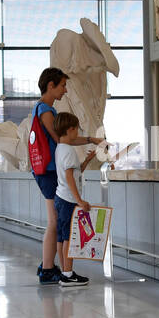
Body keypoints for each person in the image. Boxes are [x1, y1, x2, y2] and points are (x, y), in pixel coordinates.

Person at [31, 68, 101, 285]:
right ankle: (49, 268)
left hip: (47, 171)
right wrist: (91, 139)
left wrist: (90, 140)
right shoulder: (46, 110)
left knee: (55, 223)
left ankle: (51, 267)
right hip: (49, 172)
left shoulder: (42, 108)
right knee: (55, 223)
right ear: (50, 86)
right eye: (62, 85)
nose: (65, 89)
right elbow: (61, 138)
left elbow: (63, 139)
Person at [52, 112, 98, 287]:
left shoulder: (60, 148)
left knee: (61, 237)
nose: (77, 133)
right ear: (70, 130)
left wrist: (87, 160)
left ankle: (65, 271)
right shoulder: (69, 150)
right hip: (68, 199)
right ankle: (67, 274)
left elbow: (76, 172)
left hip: (61, 197)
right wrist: (79, 200)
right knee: (69, 238)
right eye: (76, 130)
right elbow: (70, 177)